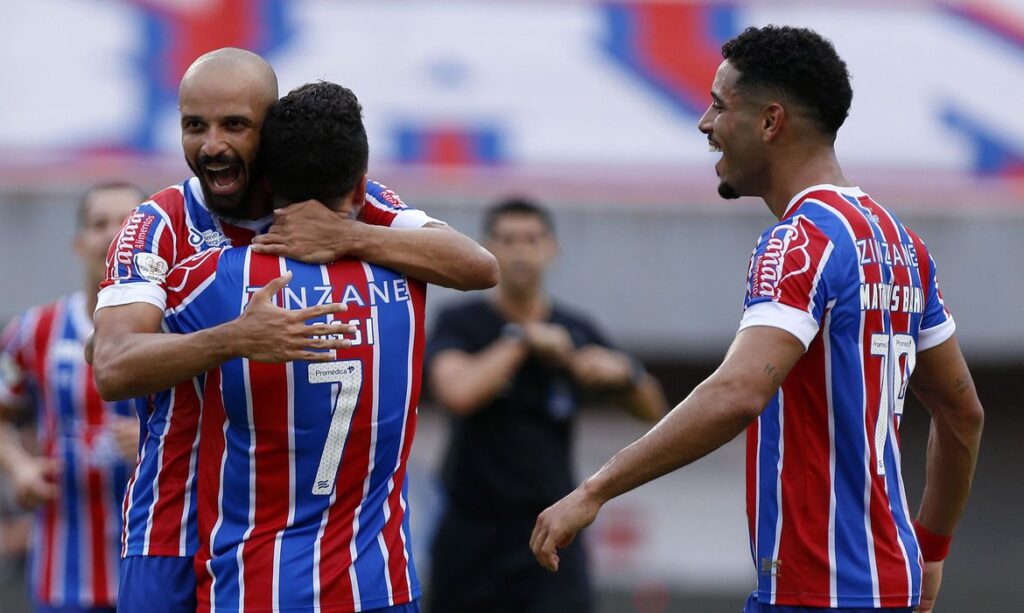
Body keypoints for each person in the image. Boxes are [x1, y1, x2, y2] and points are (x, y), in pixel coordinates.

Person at [529, 25, 984, 613]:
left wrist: (594, 491)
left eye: (719, 105)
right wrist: (933, 550)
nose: (705, 123)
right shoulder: (903, 245)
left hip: (816, 592)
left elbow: (739, 392)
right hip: (889, 584)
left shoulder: (798, 242)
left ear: (770, 122)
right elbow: (963, 413)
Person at [91, 49, 497, 612]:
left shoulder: (351, 205)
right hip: (173, 526)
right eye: (194, 126)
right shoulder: (157, 224)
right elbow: (110, 364)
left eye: (234, 125)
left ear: (271, 126)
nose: (211, 146)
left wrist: (351, 237)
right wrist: (233, 338)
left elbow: (478, 266)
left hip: (286, 543)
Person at [162, 80, 425, 611]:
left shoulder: (219, 280)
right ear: (360, 189)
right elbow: (476, 265)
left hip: (255, 585)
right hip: (381, 584)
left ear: (266, 179)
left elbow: (110, 356)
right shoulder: (412, 275)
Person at [426, 198, 667, 613]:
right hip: (471, 532)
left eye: (531, 239)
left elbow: (654, 410)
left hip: (553, 528)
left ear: (552, 248)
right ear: (488, 249)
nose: (520, 250)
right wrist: (521, 340)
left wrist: (625, 375)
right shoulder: (461, 323)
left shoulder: (576, 329)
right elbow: (457, 393)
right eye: (507, 240)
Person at [0, 183, 142, 613]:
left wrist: (157, 439)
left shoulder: (180, 328)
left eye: (128, 224)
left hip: (154, 568)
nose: (113, 235)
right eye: (100, 224)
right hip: (62, 572)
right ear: (79, 243)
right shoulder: (33, 330)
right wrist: (20, 467)